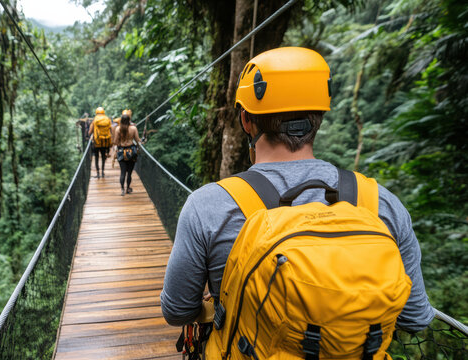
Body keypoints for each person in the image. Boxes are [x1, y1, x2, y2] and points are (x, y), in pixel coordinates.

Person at [161, 47, 434, 358]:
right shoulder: (381, 204)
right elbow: (415, 318)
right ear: (318, 118)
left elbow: (177, 310)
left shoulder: (207, 206)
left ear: (246, 121)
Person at [114, 111, 140, 196]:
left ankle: (122, 189)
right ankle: (128, 188)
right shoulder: (133, 128)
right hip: (131, 152)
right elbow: (137, 140)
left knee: (123, 172)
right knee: (129, 173)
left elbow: (116, 142)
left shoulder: (118, 129)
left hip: (121, 152)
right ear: (129, 120)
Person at [88, 107, 112, 178]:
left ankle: (98, 173)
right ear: (103, 112)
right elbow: (111, 129)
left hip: (97, 142)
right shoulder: (107, 119)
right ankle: (103, 172)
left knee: (96, 157)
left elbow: (90, 132)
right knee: (103, 157)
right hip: (105, 141)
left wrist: (89, 134)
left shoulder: (95, 120)